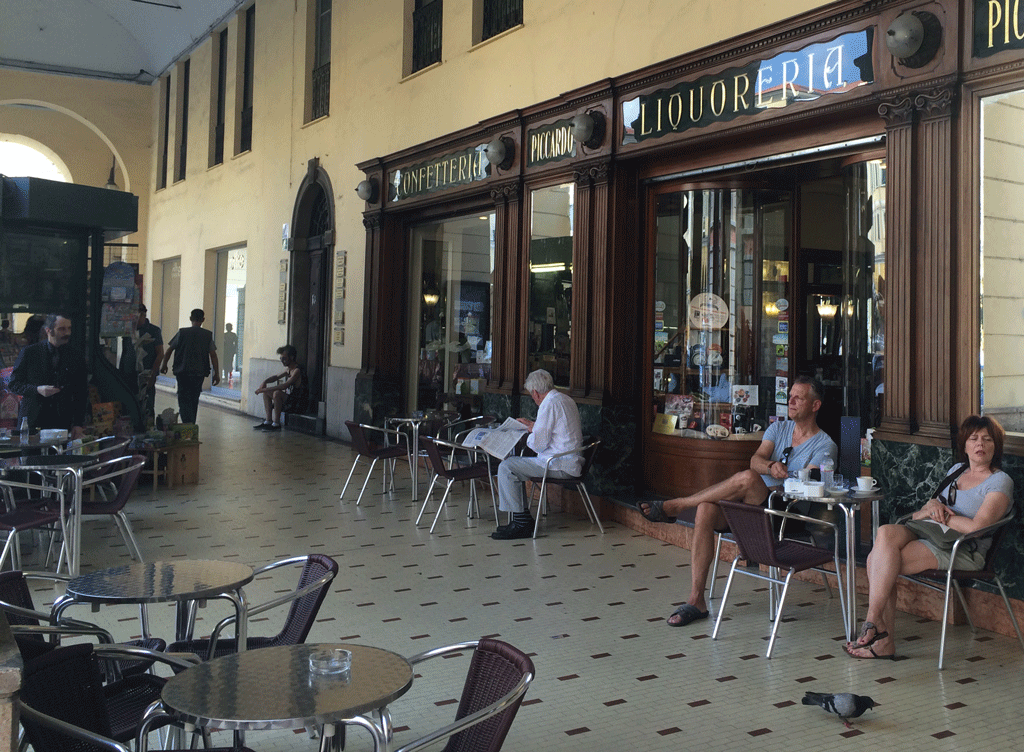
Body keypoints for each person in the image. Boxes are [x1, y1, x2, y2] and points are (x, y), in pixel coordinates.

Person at [639, 376, 837, 626]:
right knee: (706, 509)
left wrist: (772, 478)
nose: (791, 401)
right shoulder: (778, 428)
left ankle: (677, 505)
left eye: (799, 398)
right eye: (790, 396)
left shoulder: (825, 445)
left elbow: (806, 485)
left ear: (815, 405)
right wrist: (770, 466)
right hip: (755, 508)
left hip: (786, 516)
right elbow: (756, 461)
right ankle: (696, 599)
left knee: (748, 479)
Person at [844, 415, 1013, 660]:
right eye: (973, 439)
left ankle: (878, 632)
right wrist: (933, 506)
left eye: (987, 440)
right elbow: (933, 506)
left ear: (995, 446)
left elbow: (979, 526)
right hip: (934, 533)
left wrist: (941, 515)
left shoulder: (1000, 481)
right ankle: (876, 627)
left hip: (963, 548)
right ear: (964, 445)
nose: (980, 445)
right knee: (885, 533)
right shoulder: (957, 470)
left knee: (878, 562)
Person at [492, 369, 583, 540]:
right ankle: (521, 520)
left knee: (507, 467)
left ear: (535, 392)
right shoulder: (564, 398)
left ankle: (521, 522)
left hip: (558, 464)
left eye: (531, 395)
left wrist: (527, 434)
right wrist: (533, 426)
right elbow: (555, 428)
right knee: (513, 466)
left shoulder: (548, 404)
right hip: (569, 460)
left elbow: (538, 445)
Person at [8, 313, 89, 438]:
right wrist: (37, 390)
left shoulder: (75, 356)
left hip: (61, 421)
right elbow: (14, 384)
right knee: (32, 457)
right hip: (33, 421)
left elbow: (81, 392)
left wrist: (78, 423)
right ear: (48, 331)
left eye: (69, 328)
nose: (67, 333)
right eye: (62, 329)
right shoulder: (30, 353)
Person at [160, 309, 219, 424]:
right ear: (203, 320)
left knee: (183, 398)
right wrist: (216, 373)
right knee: (194, 398)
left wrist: (164, 365)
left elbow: (169, 350)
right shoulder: (207, 335)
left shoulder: (182, 333)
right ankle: (191, 423)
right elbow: (213, 355)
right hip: (199, 373)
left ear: (190, 319)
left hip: (183, 372)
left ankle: (186, 423)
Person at [119, 304, 164, 420]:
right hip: (129, 374)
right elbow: (125, 351)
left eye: (136, 316)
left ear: (143, 315)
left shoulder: (154, 330)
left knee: (147, 406)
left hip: (146, 375)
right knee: (129, 406)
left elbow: (160, 353)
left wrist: (152, 374)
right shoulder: (128, 331)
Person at [253, 345, 310, 430]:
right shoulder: (288, 369)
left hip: (298, 403)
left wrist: (264, 389)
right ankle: (268, 421)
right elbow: (276, 377)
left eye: (284, 358)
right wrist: (265, 382)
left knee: (277, 393)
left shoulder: (297, 371)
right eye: (281, 359)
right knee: (266, 393)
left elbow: (284, 385)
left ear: (292, 357)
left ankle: (276, 423)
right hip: (290, 400)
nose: (282, 361)